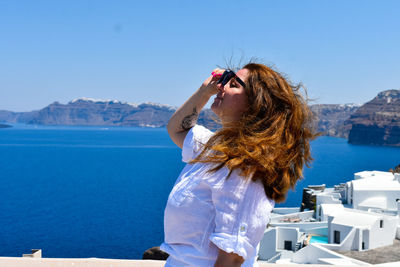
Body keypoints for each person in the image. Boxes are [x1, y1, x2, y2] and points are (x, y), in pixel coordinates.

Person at [160, 62, 316, 267]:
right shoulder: (215, 147)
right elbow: (177, 129)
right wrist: (204, 92)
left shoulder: (247, 169)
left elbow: (232, 258)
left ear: (256, 104)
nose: (222, 87)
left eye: (233, 84)